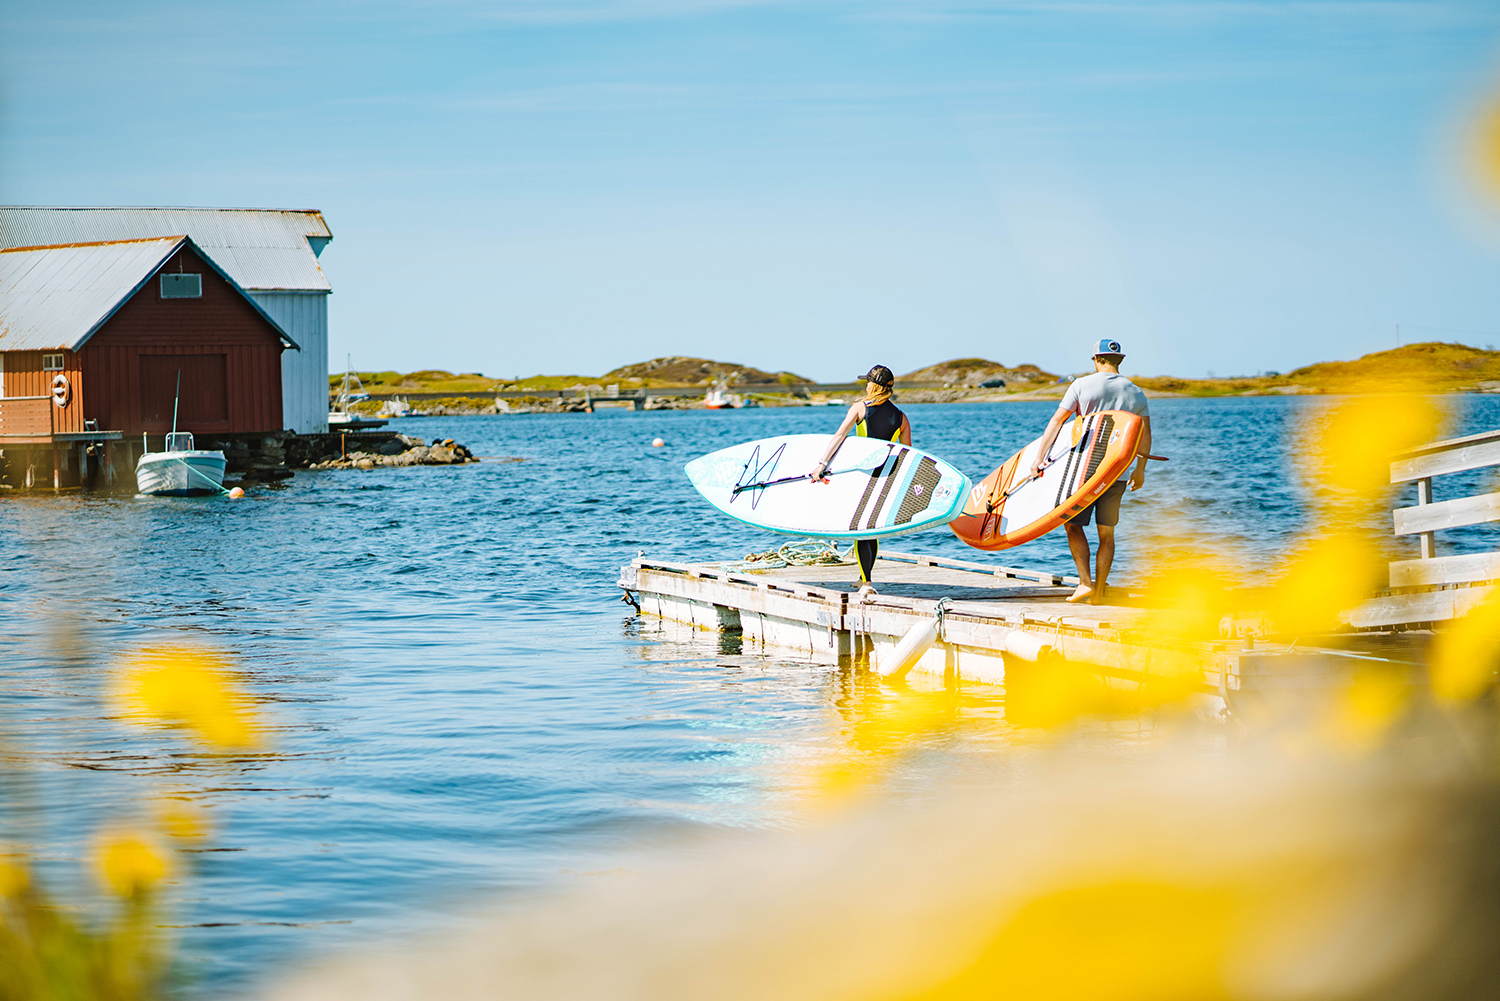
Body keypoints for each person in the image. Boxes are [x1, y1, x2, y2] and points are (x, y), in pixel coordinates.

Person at [1028, 339, 1152, 605]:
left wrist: (1039, 458)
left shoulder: (1081, 385)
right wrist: (1140, 470)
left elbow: (1057, 421)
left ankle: (1084, 582)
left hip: (1081, 471)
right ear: (1120, 360)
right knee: (1106, 533)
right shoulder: (1136, 392)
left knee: (1073, 525)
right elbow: (1144, 435)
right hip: (1117, 470)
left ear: (1096, 359)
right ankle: (1098, 594)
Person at [811, 365, 912, 598]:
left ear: (873, 386)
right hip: (886, 479)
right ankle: (863, 577)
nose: (865, 385)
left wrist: (821, 464)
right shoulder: (901, 417)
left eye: (867, 382)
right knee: (872, 529)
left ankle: (866, 583)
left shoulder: (860, 408)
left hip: (864, 477)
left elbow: (839, 436)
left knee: (860, 530)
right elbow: (907, 453)